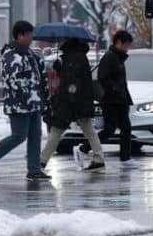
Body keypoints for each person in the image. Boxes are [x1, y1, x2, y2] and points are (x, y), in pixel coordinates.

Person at [0, 21, 51, 181]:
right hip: (20, 104)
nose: (32, 38)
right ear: (19, 36)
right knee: (19, 136)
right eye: (29, 35)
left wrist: (43, 98)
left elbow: (39, 77)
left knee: (35, 136)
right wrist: (27, 96)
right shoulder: (12, 56)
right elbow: (13, 81)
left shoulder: (30, 54)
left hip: (34, 103)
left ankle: (33, 169)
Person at [40, 39, 106, 172]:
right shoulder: (78, 56)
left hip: (71, 103)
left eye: (61, 39)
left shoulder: (72, 58)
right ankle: (99, 159)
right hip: (80, 101)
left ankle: (41, 162)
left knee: (56, 131)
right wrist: (60, 69)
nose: (58, 42)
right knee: (89, 131)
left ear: (66, 41)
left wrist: (66, 103)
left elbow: (72, 84)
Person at [77, 30, 137, 169]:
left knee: (126, 128)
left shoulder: (119, 57)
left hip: (121, 99)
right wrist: (114, 90)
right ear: (119, 42)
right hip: (111, 100)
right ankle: (83, 149)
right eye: (127, 44)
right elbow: (102, 77)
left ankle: (125, 158)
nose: (128, 47)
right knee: (110, 129)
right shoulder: (110, 57)